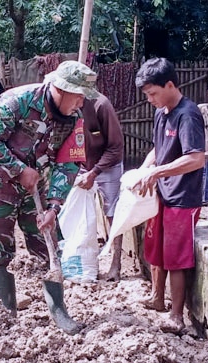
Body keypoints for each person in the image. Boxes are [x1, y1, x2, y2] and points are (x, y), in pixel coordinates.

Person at [0, 60, 99, 326]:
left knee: (48, 243)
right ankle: (5, 316)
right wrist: (18, 169)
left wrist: (54, 207)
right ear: (60, 89)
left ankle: (58, 311)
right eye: (78, 98)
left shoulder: (73, 120)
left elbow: (68, 166)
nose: (81, 105)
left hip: (37, 185)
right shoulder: (17, 102)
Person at [133, 58, 205, 332]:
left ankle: (177, 316)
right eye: (147, 95)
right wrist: (144, 170)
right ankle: (156, 298)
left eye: (153, 93)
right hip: (163, 193)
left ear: (170, 84)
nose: (150, 99)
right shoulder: (161, 112)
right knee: (154, 249)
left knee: (176, 257)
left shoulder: (188, 114)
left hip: (183, 198)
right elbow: (157, 150)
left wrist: (157, 172)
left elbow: (196, 158)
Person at [74, 92, 125, 281]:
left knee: (112, 212)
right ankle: (80, 261)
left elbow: (115, 147)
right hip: (80, 163)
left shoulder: (101, 105)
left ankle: (116, 265)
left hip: (107, 164)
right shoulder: (62, 106)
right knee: (73, 210)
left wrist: (94, 172)